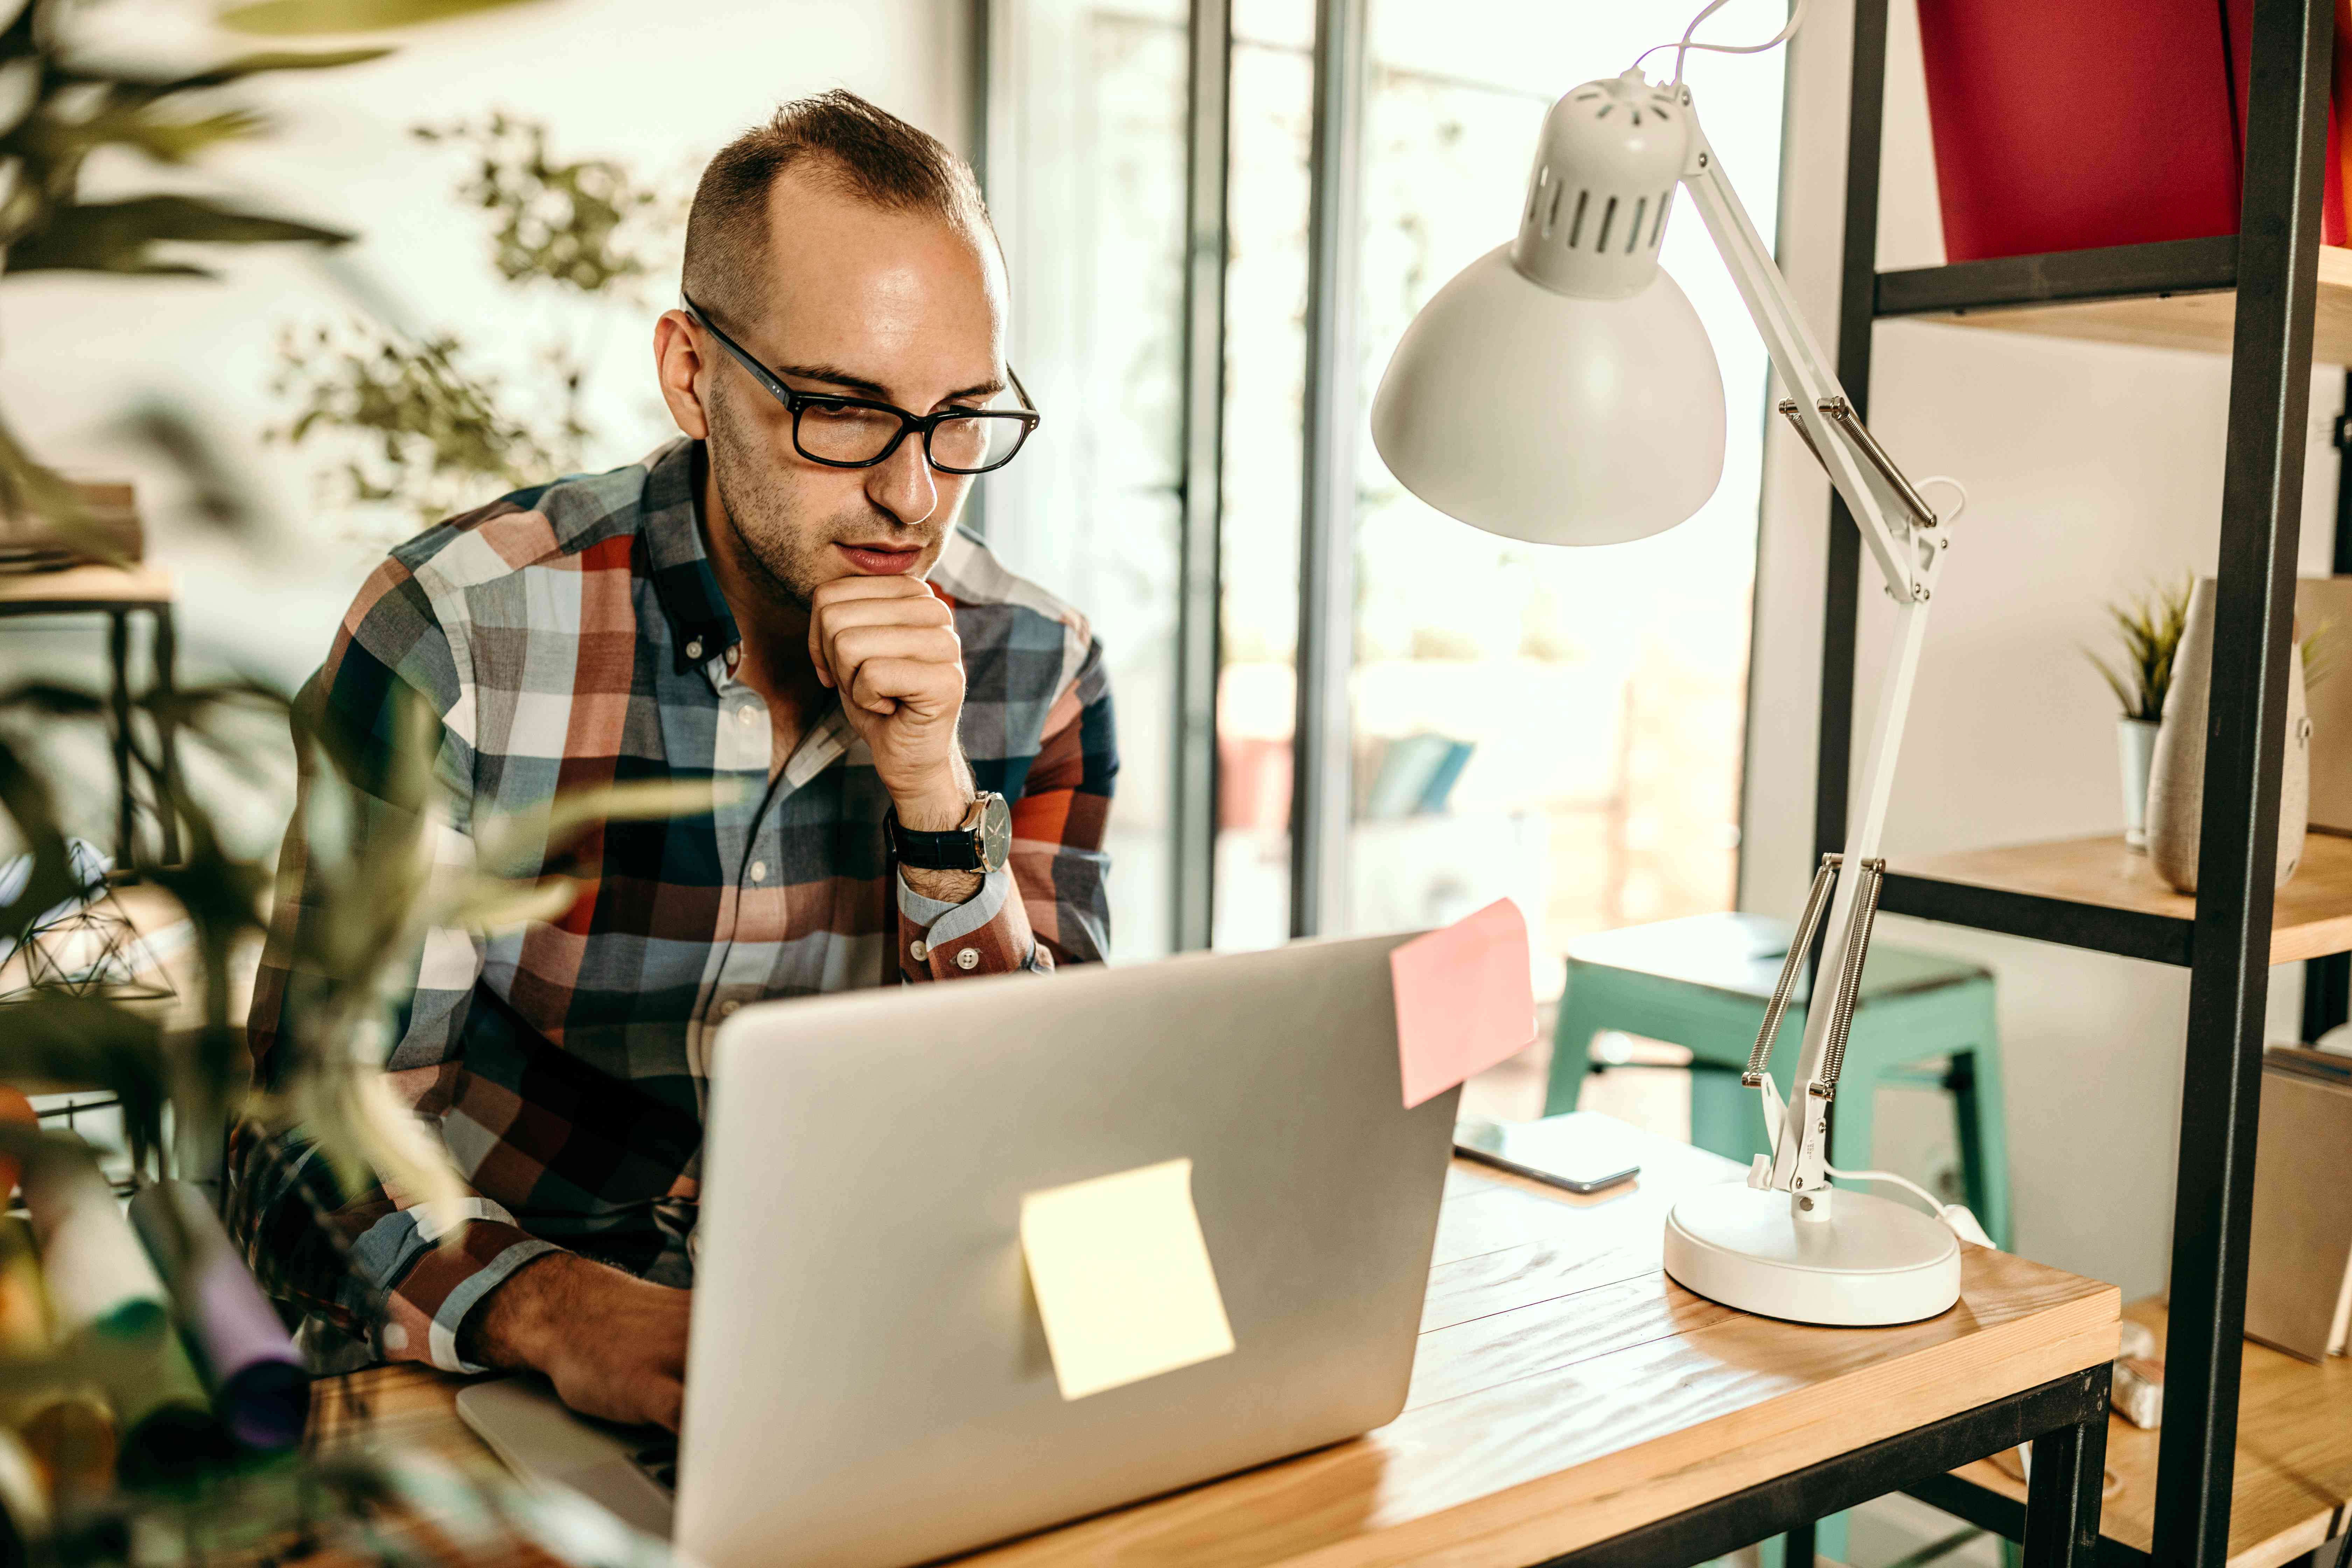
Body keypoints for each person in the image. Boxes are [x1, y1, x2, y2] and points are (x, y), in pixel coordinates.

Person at [229, 92, 1116, 1434]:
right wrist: (549, 1306)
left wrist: (936, 803)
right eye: (843, 411)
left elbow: (1052, 1143)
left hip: (872, 1365)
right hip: (498, 1370)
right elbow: (301, 1149)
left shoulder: (1038, 665)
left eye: (959, 418)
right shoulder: (458, 637)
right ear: (693, 374)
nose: (915, 494)